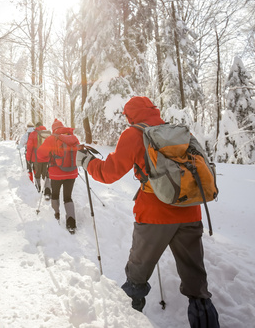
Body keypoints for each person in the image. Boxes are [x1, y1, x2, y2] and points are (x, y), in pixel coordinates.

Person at [76, 96, 219, 327]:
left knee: (137, 275)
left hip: (154, 216)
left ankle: (130, 320)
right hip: (190, 211)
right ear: (154, 110)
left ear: (130, 115)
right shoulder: (180, 132)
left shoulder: (134, 134)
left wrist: (86, 162)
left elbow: (108, 173)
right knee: (196, 282)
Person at [37, 119, 79, 233]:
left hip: (56, 173)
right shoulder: (73, 138)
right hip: (72, 173)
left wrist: (48, 157)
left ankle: (55, 217)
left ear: (53, 129)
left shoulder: (52, 138)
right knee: (68, 197)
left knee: (55, 195)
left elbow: (40, 154)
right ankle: (71, 223)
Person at [26, 121, 51, 196]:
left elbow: (29, 148)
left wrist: (28, 159)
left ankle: (38, 189)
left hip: (37, 159)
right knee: (47, 174)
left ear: (36, 127)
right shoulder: (48, 134)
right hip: (47, 158)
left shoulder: (33, 134)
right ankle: (47, 190)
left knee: (37, 175)